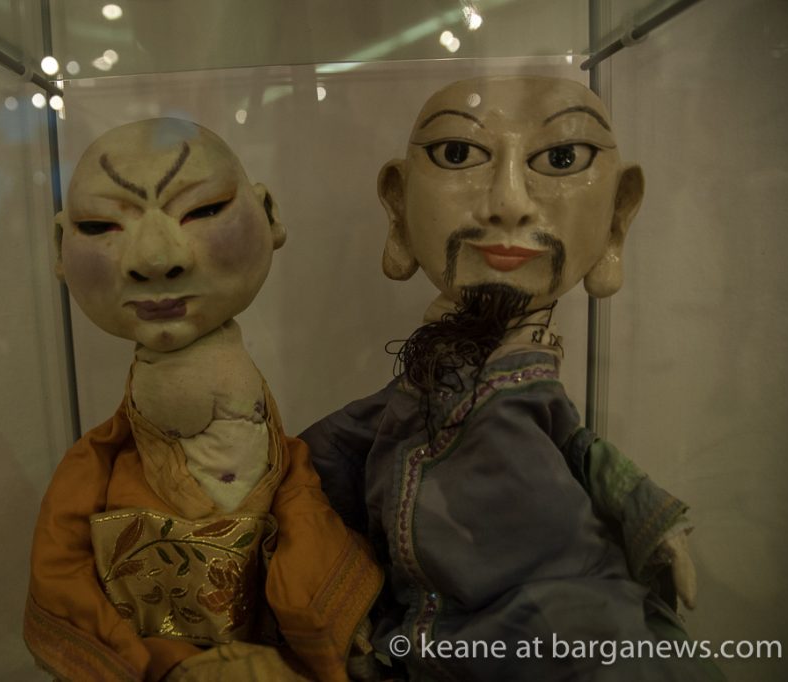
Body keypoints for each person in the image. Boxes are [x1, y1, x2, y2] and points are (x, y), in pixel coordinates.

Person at [300, 77, 724, 680]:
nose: (508, 202)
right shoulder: (421, 387)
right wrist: (282, 478)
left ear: (618, 214)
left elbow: (580, 451)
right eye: (457, 153)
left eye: (562, 159)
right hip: (438, 613)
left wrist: (652, 520)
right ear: (397, 204)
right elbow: (353, 441)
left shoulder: (530, 381)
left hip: (560, 600)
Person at [24, 118, 381, 682]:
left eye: (204, 209)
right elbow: (60, 567)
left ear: (269, 214)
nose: (155, 258)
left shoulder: (286, 454)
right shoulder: (95, 468)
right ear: (59, 247)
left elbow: (299, 512)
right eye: (100, 225)